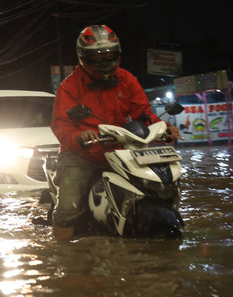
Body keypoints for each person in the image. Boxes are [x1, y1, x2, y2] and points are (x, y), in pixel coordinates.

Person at [50, 24, 182, 241]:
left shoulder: (127, 80)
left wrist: (165, 129)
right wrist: (79, 137)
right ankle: (64, 262)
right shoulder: (70, 86)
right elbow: (60, 124)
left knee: (155, 189)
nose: (103, 61)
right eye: (96, 57)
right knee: (67, 208)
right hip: (81, 156)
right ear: (83, 57)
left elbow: (144, 114)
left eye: (108, 55)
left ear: (118, 53)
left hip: (121, 152)